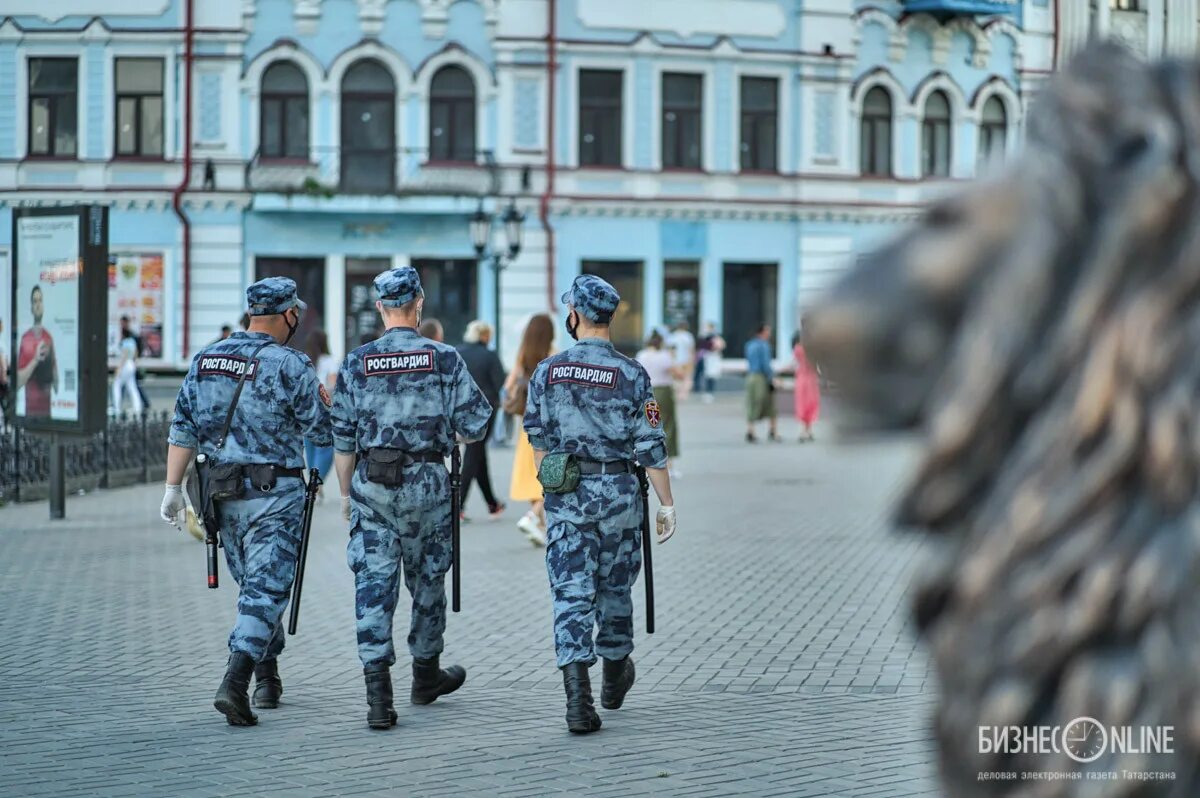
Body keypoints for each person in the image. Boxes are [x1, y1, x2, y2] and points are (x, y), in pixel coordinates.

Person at [160, 276, 331, 727]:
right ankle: (235, 682)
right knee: (267, 588)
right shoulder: (291, 365)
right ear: (288, 315)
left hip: (220, 496)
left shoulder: (206, 358)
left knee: (257, 588)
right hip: (275, 498)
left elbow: (182, 426)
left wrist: (172, 489)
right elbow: (321, 432)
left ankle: (267, 676)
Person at [330, 267, 491, 730]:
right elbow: (476, 424)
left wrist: (345, 495)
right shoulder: (443, 358)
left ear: (379, 307)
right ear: (418, 303)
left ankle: (379, 698)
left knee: (373, 588)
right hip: (427, 486)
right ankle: (425, 676)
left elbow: (342, 439)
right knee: (427, 582)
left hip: (372, 485)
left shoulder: (357, 362)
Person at [525, 275, 677, 734]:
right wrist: (667, 504)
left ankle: (578, 703)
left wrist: (548, 482)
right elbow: (651, 445)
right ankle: (614, 677)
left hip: (568, 497)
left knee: (571, 594)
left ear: (575, 316)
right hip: (619, 499)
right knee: (615, 589)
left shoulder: (548, 371)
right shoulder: (632, 373)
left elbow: (536, 435)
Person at [505, 313, 554, 547]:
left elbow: (508, 385)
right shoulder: (553, 353)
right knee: (550, 473)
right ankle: (533, 516)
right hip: (548, 423)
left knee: (531, 472)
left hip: (526, 423)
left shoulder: (523, 353)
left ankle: (540, 527)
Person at [456, 320, 506, 521]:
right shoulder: (489, 356)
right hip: (485, 411)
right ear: (484, 336)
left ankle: (492, 504)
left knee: (478, 454)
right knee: (473, 454)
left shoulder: (458, 352)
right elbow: (499, 382)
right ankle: (457, 505)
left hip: (461, 408)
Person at [635, 332, 683, 477]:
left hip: (646, 393)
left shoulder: (641, 355)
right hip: (663, 392)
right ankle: (669, 466)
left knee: (649, 426)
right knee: (668, 426)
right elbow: (679, 374)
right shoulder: (664, 356)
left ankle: (647, 464)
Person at [303, 330, 338, 495]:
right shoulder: (329, 361)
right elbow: (331, 387)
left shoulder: (305, 361)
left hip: (307, 409)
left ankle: (313, 476)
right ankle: (318, 479)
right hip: (324, 409)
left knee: (309, 444)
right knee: (325, 447)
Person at [15, 285, 57, 418]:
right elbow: (18, 382)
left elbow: (57, 386)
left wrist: (51, 361)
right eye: (35, 301)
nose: (38, 305)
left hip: (47, 413)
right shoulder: (25, 339)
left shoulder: (49, 338)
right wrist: (35, 360)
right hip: (30, 413)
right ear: (32, 308)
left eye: (40, 301)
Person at [744, 323, 779, 443]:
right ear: (762, 332)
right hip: (761, 378)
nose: (769, 334)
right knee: (770, 404)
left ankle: (750, 430)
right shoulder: (764, 346)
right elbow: (765, 364)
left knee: (752, 403)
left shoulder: (749, 345)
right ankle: (773, 431)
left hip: (750, 376)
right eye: (767, 331)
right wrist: (772, 378)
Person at [111, 315, 144, 416]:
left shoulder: (125, 342)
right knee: (132, 387)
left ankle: (116, 407)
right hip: (132, 364)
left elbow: (124, 356)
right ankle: (137, 408)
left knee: (116, 385)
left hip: (126, 365)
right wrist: (135, 363)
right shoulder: (132, 341)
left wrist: (119, 369)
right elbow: (136, 353)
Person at [792, 332, 820, 442]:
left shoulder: (797, 349)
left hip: (801, 379)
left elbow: (795, 364)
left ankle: (804, 431)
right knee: (811, 404)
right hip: (811, 380)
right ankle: (807, 430)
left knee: (802, 404)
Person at [667, 322, 696, 402]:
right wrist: (692, 360)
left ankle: (677, 394)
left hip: (676, 361)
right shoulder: (688, 336)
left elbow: (671, 350)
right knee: (686, 378)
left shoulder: (673, 336)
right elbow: (691, 349)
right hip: (687, 360)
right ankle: (684, 395)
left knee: (676, 378)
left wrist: (671, 361)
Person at [698, 322, 725, 402]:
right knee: (708, 375)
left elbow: (721, 346)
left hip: (714, 358)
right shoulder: (706, 337)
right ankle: (708, 392)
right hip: (708, 358)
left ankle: (710, 392)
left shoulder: (716, 337)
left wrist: (715, 347)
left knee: (712, 375)